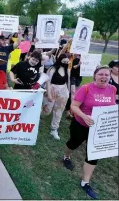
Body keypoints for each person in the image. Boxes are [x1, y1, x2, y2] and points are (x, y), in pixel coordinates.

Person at [62, 66, 116, 199]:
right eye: (101, 74)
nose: (104, 77)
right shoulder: (86, 88)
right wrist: (84, 116)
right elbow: (73, 106)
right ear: (95, 75)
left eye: (106, 75)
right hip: (80, 124)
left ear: (110, 77)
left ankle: (85, 182)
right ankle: (66, 156)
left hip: (99, 128)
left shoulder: (112, 89)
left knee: (93, 154)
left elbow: (112, 107)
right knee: (73, 143)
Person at [41, 54, 70, 140]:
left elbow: (68, 81)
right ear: (60, 60)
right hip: (52, 89)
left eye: (67, 62)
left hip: (63, 90)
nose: (65, 63)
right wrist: (49, 94)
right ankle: (40, 116)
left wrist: (67, 92)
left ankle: (54, 129)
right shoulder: (52, 68)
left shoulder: (67, 69)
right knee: (47, 110)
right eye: (64, 61)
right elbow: (48, 81)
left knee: (59, 111)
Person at [65, 54, 82, 119]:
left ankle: (70, 110)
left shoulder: (86, 61)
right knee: (72, 92)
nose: (79, 56)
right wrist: (79, 64)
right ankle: (70, 110)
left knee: (74, 94)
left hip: (78, 78)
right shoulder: (74, 60)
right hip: (72, 77)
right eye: (79, 55)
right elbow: (73, 67)